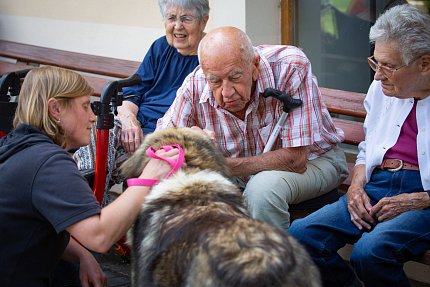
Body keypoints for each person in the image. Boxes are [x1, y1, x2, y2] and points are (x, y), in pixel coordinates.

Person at [289, 4, 430, 287]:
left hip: (425, 197)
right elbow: (369, 145)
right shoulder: (381, 87)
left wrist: (422, 199)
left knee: (370, 253)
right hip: (376, 184)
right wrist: (355, 186)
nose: (377, 76)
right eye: (376, 63)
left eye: (389, 66)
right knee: (301, 237)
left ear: (424, 64)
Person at [0, 66, 179, 286]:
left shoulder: (18, 145)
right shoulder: (49, 163)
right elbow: (99, 237)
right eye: (85, 106)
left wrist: (82, 256)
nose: (93, 117)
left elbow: (36, 223)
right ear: (55, 109)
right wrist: (149, 176)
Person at [157, 26, 349, 232]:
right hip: (242, 172)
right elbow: (163, 142)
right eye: (216, 82)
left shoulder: (290, 66)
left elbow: (297, 159)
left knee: (261, 190)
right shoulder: (195, 84)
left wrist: (222, 166)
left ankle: (271, 261)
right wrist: (189, 139)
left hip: (315, 160)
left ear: (255, 65)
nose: (227, 92)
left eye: (235, 77)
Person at [72, 0, 210, 205]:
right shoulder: (160, 47)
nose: (178, 26)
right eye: (171, 18)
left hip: (171, 135)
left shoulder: (211, 53)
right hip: (137, 128)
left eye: (186, 18)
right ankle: (88, 199)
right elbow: (134, 91)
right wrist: (129, 120)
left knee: (131, 160)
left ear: (203, 21)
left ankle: (96, 210)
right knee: (100, 131)